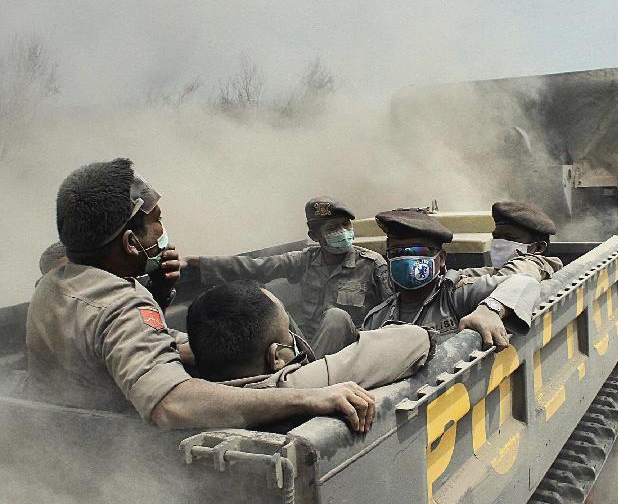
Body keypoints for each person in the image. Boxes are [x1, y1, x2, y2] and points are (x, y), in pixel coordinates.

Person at [26, 158, 375, 432]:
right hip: (117, 456)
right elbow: (170, 403)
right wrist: (306, 398)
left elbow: (115, 341)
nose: (163, 231)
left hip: (65, 440)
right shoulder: (124, 305)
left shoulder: (53, 284)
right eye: (157, 220)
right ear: (131, 243)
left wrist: (161, 293)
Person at [183, 196, 392, 358]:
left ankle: (305, 379)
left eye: (346, 225)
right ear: (314, 236)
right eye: (333, 228)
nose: (343, 232)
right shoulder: (306, 260)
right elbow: (257, 267)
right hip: (307, 345)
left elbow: (391, 313)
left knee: (336, 317)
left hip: (349, 349)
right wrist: (201, 264)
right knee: (270, 307)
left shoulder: (372, 264)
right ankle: (305, 372)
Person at [186, 282, 431, 406]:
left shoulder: (189, 398)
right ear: (276, 358)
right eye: (288, 333)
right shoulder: (294, 388)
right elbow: (414, 339)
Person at [362, 209, 541, 347]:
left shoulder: (457, 296)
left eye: (419, 252)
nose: (407, 259)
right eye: (397, 252)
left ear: (441, 259)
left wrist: (490, 310)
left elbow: (524, 282)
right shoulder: (377, 318)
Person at [457, 201, 563, 281]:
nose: (499, 244)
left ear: (538, 248)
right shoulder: (502, 269)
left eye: (510, 238)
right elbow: (486, 273)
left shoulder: (530, 266)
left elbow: (500, 282)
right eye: (497, 237)